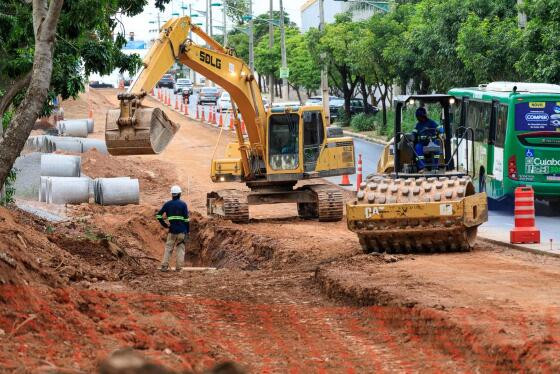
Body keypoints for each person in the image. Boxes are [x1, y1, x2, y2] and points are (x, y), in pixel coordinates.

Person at [156, 185, 189, 272]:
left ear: (172, 194)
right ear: (179, 194)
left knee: (168, 249)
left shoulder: (167, 204)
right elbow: (186, 220)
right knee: (180, 249)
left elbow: (158, 215)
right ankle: (178, 268)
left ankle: (164, 266)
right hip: (182, 231)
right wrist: (187, 231)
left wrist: (165, 225)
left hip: (172, 231)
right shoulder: (183, 204)